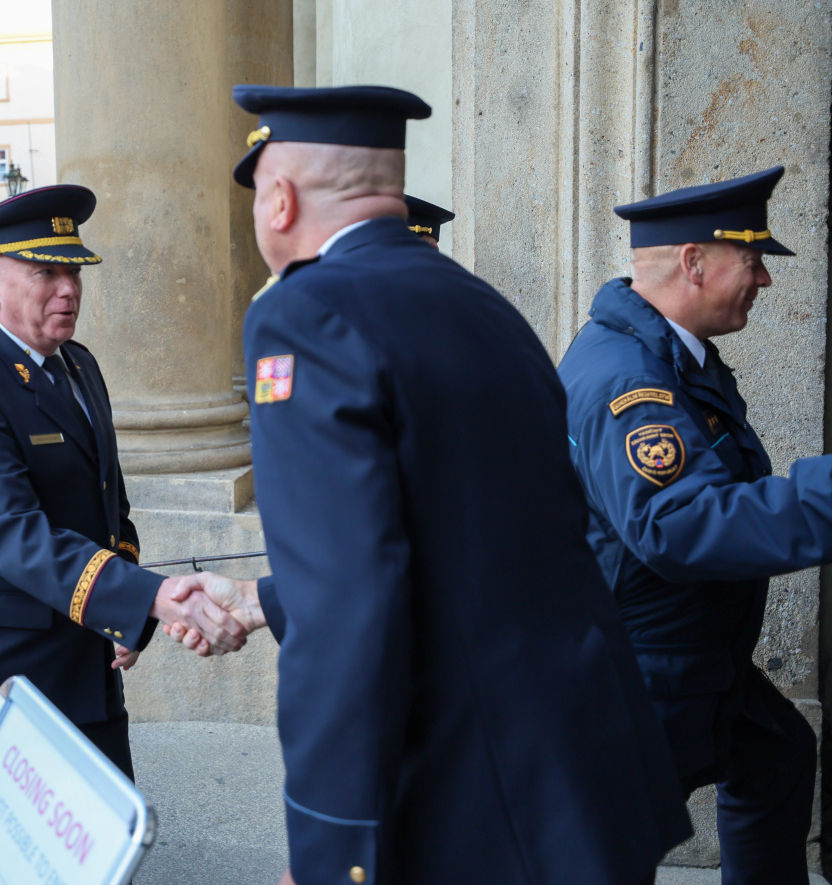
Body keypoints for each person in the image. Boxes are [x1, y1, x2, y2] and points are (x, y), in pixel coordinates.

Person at [165, 85, 693, 885]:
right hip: (584, 772)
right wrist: (261, 600)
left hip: (474, 805)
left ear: (277, 201)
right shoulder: (482, 305)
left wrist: (331, 845)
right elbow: (468, 534)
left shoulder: (302, 317)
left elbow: (350, 600)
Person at [0, 184, 247, 845]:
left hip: (80, 655)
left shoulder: (78, 367)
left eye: (73, 271)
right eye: (45, 273)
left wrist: (123, 610)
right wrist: (151, 599)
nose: (67, 289)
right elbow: (14, 536)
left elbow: (105, 502)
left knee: (96, 841)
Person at [559, 166, 826, 884]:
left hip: (696, 654)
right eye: (753, 260)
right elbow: (677, 525)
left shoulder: (671, 353)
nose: (763, 280)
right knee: (607, 854)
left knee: (776, 759)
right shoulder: (627, 378)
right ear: (692, 261)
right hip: (645, 672)